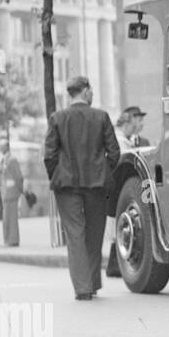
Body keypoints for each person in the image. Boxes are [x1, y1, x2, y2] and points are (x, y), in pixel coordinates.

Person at [44, 75, 120, 301]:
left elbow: (49, 155)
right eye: (91, 90)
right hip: (96, 185)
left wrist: (57, 175)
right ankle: (93, 283)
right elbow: (114, 153)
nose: (93, 93)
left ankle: (83, 287)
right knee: (94, 235)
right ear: (86, 91)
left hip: (66, 186)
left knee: (75, 235)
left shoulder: (57, 118)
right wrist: (103, 172)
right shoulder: (101, 117)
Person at [0, 140, 25, 247]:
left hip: (12, 193)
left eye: (1, 146)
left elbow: (18, 177)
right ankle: (8, 240)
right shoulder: (4, 160)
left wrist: (20, 190)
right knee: (6, 219)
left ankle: (13, 240)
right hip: (6, 194)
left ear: (6, 147)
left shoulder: (12, 160)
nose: (0, 148)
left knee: (11, 218)